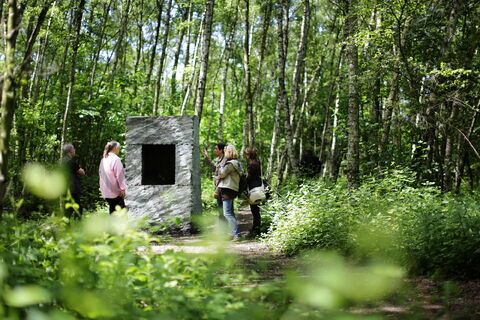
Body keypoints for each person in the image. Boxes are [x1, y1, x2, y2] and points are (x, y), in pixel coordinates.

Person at [217, 144, 242, 240]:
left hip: (228, 189)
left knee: (227, 213)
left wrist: (220, 167)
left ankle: (236, 234)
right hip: (232, 188)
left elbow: (222, 174)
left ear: (229, 152)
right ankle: (233, 233)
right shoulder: (237, 163)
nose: (225, 153)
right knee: (230, 212)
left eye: (226, 151)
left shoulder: (231, 164)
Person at [99, 140, 126, 214]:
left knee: (112, 210)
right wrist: (123, 189)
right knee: (121, 213)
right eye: (119, 148)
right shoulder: (116, 159)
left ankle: (110, 225)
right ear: (115, 148)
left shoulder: (103, 159)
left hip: (106, 191)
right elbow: (120, 176)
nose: (119, 150)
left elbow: (101, 175)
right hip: (115, 192)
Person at [202, 143, 227, 221]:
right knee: (220, 207)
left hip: (224, 187)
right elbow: (214, 168)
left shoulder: (225, 160)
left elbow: (222, 175)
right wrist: (207, 157)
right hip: (218, 187)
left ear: (221, 150)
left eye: (216, 149)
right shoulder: (217, 159)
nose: (214, 150)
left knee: (226, 209)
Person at [62, 143, 85, 217]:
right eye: (74, 149)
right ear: (70, 151)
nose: (75, 150)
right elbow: (82, 172)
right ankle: (77, 226)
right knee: (78, 208)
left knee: (68, 208)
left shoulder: (61, 162)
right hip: (72, 189)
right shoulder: (71, 162)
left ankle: (66, 225)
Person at [244, 146, 262, 238]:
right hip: (257, 186)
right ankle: (256, 228)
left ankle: (256, 230)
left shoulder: (252, 164)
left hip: (254, 188)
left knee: (255, 210)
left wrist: (244, 177)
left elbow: (250, 177)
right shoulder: (257, 162)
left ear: (249, 155)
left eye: (246, 154)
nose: (245, 156)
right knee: (256, 210)